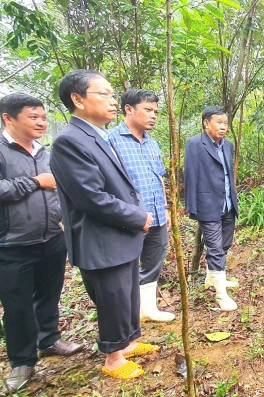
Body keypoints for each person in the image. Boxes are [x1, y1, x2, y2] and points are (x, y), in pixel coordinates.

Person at [0, 93, 84, 392]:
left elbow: (59, 188)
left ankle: (49, 339)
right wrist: (35, 182)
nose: (41, 122)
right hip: (10, 242)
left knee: (49, 293)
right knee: (16, 304)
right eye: (33, 117)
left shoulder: (44, 151)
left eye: (43, 117)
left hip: (51, 237)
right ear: (8, 118)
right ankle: (22, 361)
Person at [50, 70, 156, 380]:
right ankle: (112, 358)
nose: (113, 100)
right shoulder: (69, 141)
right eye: (105, 94)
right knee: (112, 297)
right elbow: (91, 198)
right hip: (99, 238)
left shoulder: (97, 135)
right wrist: (137, 216)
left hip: (117, 234)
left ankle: (129, 342)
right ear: (77, 99)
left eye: (112, 94)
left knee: (127, 293)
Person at [108, 89, 175, 323]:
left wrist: (165, 209)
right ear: (128, 109)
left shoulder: (151, 142)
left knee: (154, 258)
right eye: (148, 110)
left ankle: (147, 308)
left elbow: (159, 178)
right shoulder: (111, 141)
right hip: (129, 219)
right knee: (126, 266)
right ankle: (127, 315)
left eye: (156, 111)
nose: (153, 115)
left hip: (156, 214)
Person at [184, 106, 239, 311]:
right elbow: (190, 175)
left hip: (227, 203)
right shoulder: (194, 144)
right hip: (207, 204)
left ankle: (212, 278)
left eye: (225, 123)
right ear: (206, 123)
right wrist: (191, 205)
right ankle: (221, 294)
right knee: (215, 248)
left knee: (225, 244)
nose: (223, 127)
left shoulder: (228, 145)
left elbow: (227, 174)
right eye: (219, 122)